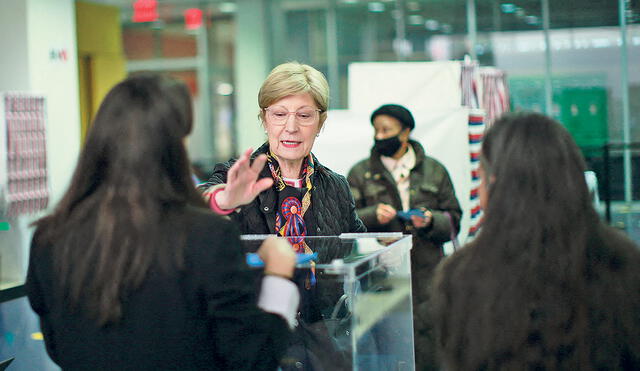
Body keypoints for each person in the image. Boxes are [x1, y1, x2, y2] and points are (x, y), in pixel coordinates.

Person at [25, 74, 300, 371]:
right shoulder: (206, 237)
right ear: (173, 147)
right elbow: (253, 356)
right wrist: (279, 275)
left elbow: (58, 345)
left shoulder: (49, 237)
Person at [432, 112, 640, 370]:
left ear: (496, 184)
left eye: (481, 180)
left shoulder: (463, 276)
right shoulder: (625, 263)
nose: (480, 196)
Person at [198, 61, 365, 370]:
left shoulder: (336, 186)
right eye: (279, 114)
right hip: (254, 337)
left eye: (304, 116)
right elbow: (197, 207)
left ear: (321, 121)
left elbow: (357, 252)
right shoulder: (239, 176)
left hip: (322, 337)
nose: (291, 127)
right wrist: (225, 199)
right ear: (264, 120)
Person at [347, 103, 461, 370]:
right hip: (381, 279)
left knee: (431, 343)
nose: (379, 136)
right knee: (387, 345)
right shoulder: (359, 173)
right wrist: (374, 215)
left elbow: (454, 219)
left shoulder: (435, 170)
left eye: (387, 130)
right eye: (376, 130)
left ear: (405, 132)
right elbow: (348, 223)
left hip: (428, 275)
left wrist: (432, 220)